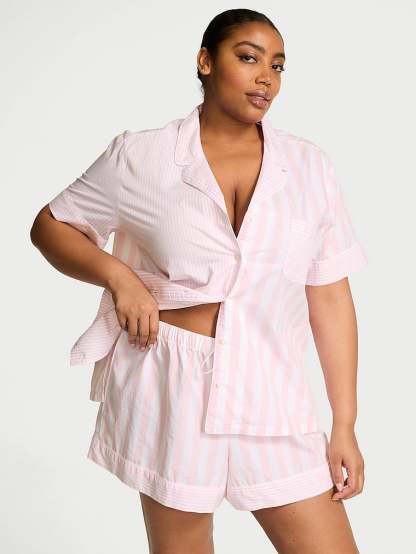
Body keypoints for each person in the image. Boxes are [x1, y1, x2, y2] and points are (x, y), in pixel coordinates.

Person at [30, 8, 368, 554]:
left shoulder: (310, 168)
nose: (266, 77)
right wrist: (118, 277)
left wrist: (344, 424)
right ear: (205, 62)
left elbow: (330, 297)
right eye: (249, 58)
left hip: (271, 386)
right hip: (171, 383)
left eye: (278, 66)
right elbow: (51, 225)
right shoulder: (142, 156)